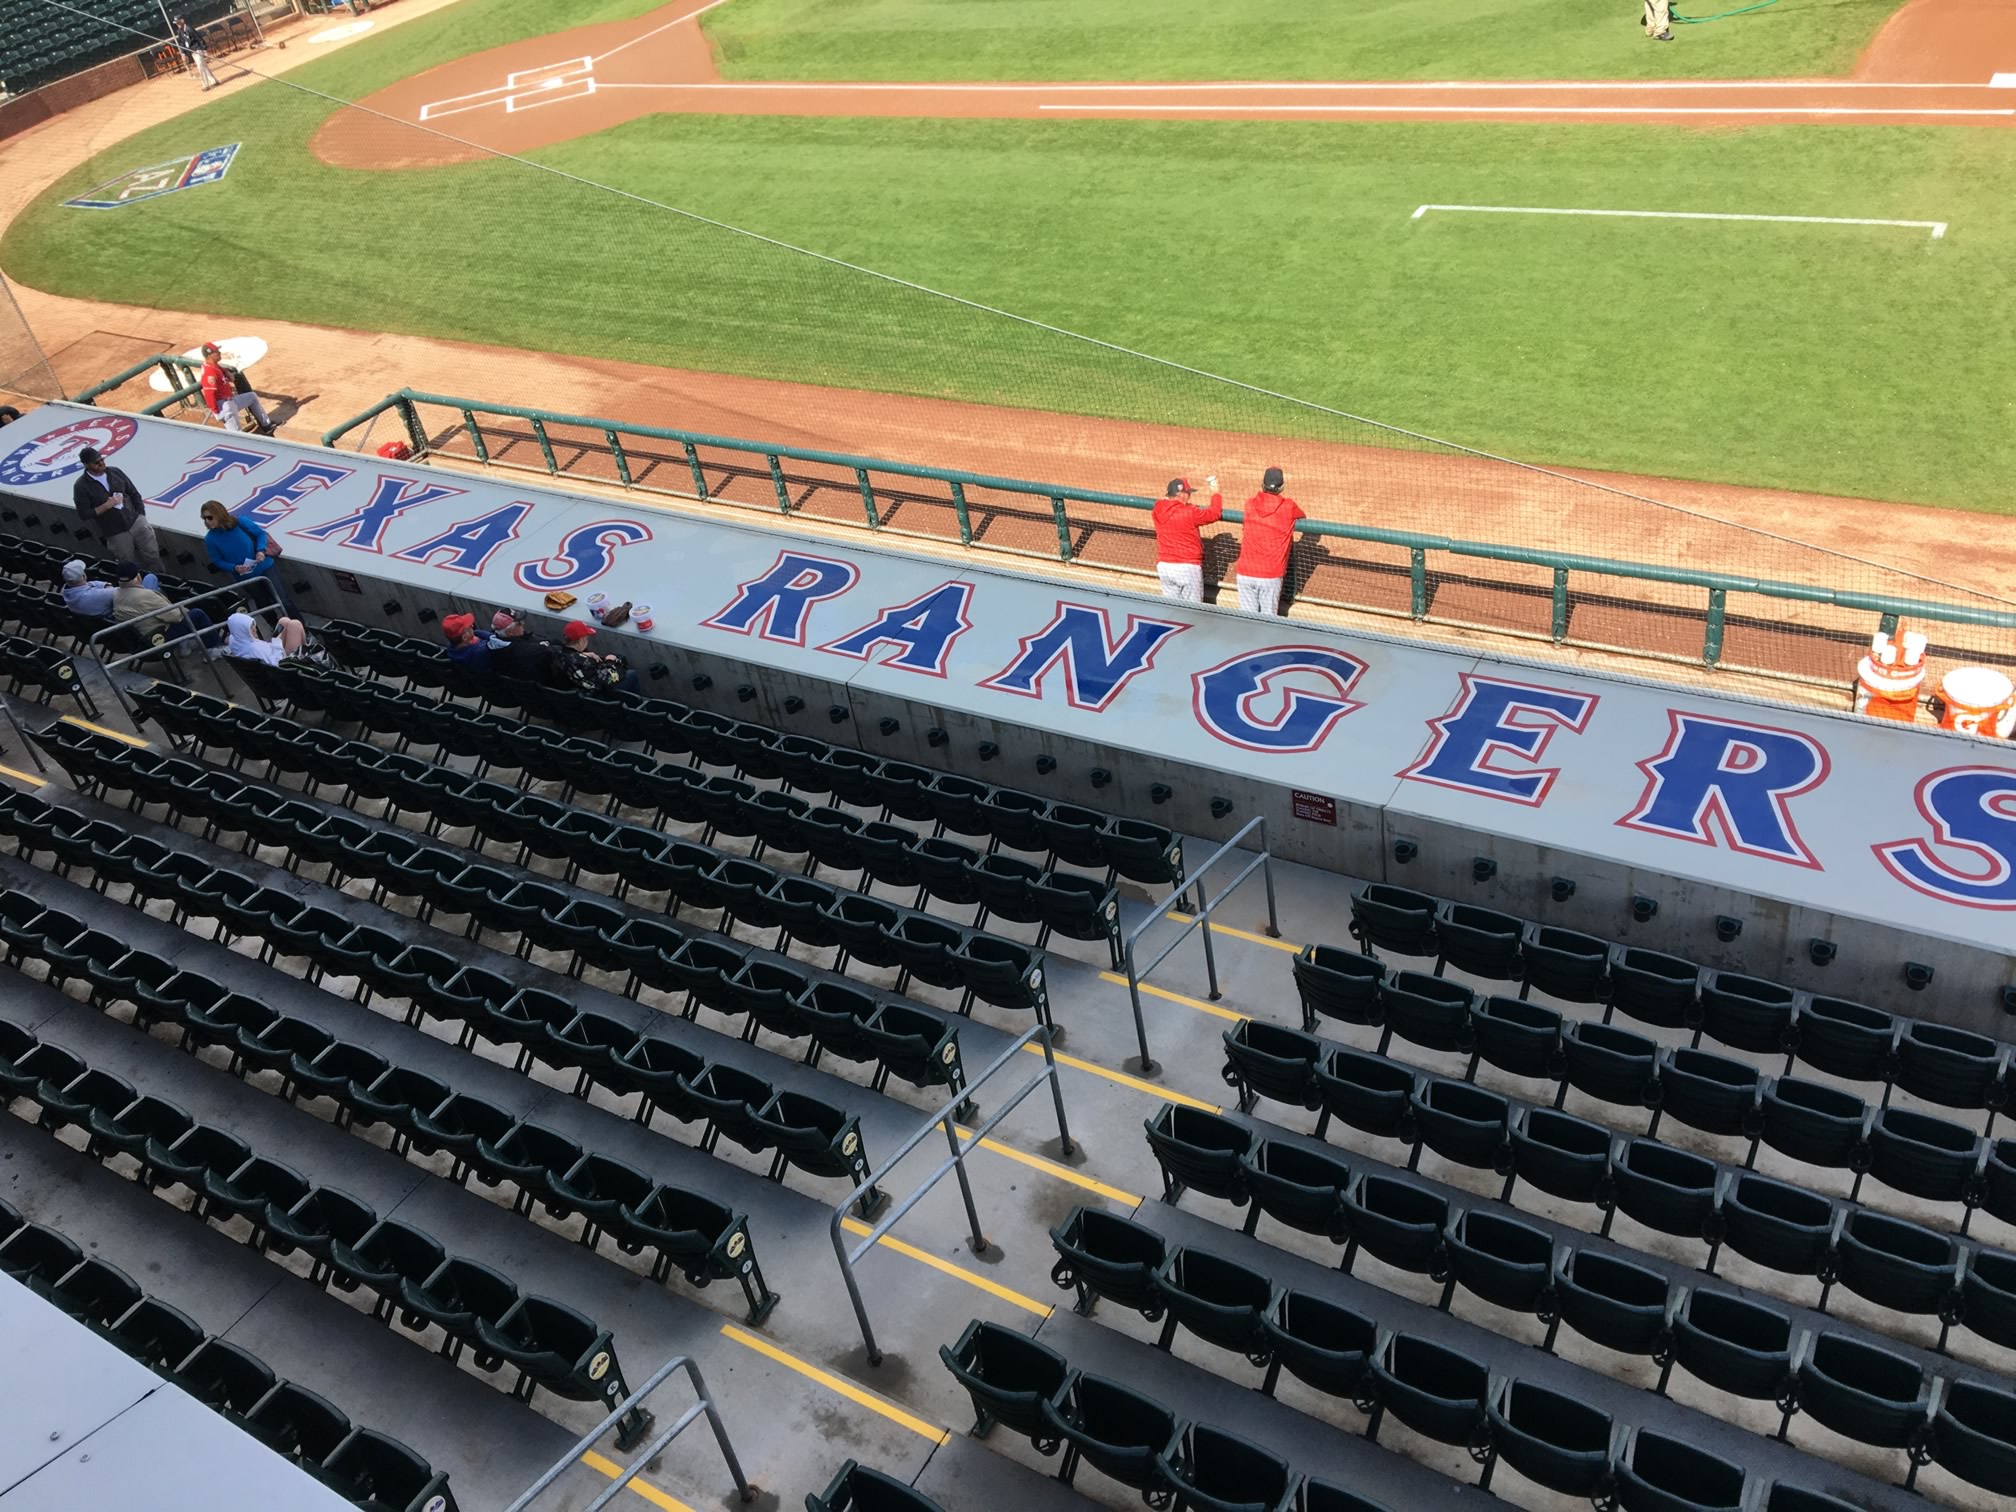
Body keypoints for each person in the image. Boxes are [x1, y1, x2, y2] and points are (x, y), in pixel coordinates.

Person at [72, 446, 163, 575]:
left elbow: (134, 493)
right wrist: (107, 505)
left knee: (153, 555)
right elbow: (84, 514)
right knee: (127, 564)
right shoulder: (81, 486)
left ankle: (160, 584)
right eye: (96, 462)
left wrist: (141, 515)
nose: (101, 463)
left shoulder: (115, 472)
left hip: (135, 521)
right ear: (86, 465)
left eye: (102, 459)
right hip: (115, 532)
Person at [1233, 466, 1306, 617]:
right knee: (1268, 620)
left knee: (1247, 620)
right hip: (1270, 575)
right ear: (1282, 486)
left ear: (1262, 484)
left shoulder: (1250, 504)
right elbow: (1302, 515)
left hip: (1245, 572)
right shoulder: (1289, 506)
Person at [200, 499, 293, 615]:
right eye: (204, 519)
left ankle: (301, 627)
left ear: (219, 514)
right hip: (245, 576)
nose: (207, 522)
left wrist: (260, 550)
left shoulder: (240, 522)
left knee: (283, 599)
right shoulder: (210, 539)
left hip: (265, 567)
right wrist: (233, 567)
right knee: (263, 605)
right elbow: (217, 560)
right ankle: (276, 629)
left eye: (210, 517)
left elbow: (260, 533)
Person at [111, 560, 221, 651]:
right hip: (157, 639)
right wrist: (185, 609)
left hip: (141, 640)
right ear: (138, 577)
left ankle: (187, 642)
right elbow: (175, 616)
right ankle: (215, 649)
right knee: (197, 614)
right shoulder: (146, 596)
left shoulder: (116, 594)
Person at [1152, 474, 1222, 602]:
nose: (1189, 496)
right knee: (1193, 612)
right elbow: (1214, 513)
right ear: (1182, 494)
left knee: (1172, 610)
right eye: (1188, 493)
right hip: (1187, 569)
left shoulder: (1157, 509)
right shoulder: (1190, 512)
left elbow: (1163, 502)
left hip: (1165, 567)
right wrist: (1215, 493)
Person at [199, 341, 273, 435]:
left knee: (252, 397)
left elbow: (219, 369)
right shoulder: (209, 373)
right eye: (216, 352)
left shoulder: (213, 365)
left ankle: (267, 426)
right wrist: (216, 412)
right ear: (210, 356)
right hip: (224, 407)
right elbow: (209, 394)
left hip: (231, 401)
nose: (219, 353)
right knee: (238, 435)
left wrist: (226, 372)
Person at [553, 619, 639, 695]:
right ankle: (635, 707)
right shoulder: (583, 662)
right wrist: (610, 661)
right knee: (631, 674)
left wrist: (581, 654)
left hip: (573, 691)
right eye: (586, 638)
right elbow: (609, 679)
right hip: (595, 695)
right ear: (581, 640)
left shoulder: (557, 652)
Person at [60, 557, 153, 619]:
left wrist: (104, 586)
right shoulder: (97, 595)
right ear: (83, 576)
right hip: (124, 612)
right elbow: (123, 590)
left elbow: (95, 584)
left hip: (99, 620)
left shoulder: (66, 591)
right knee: (151, 578)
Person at [486, 608, 557, 682]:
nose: (523, 623)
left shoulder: (493, 643)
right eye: (519, 623)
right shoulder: (528, 651)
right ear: (510, 632)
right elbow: (552, 650)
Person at [223, 610, 307, 665]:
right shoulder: (254, 649)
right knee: (295, 625)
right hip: (284, 661)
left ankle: (304, 648)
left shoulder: (235, 640)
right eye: (251, 629)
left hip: (271, 652)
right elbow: (277, 662)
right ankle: (306, 653)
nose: (255, 630)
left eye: (254, 625)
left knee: (283, 621)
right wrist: (277, 642)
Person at [173, 15, 219, 89]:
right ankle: (214, 80)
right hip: (192, 51)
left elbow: (199, 38)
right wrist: (183, 53)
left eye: (178, 22)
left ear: (182, 21)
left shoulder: (189, 29)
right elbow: (182, 43)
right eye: (176, 23)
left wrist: (204, 49)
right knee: (203, 66)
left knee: (200, 66)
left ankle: (205, 84)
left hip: (198, 49)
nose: (177, 24)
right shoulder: (179, 32)